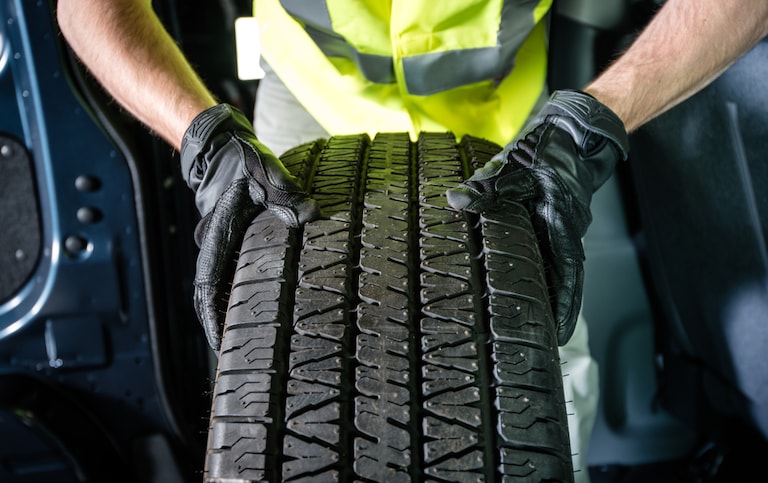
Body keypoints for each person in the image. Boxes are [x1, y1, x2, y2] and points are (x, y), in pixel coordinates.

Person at [56, 0, 768, 480]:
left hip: (498, 115)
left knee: (534, 353)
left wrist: (588, 127)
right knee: (274, 364)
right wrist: (202, 139)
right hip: (307, 102)